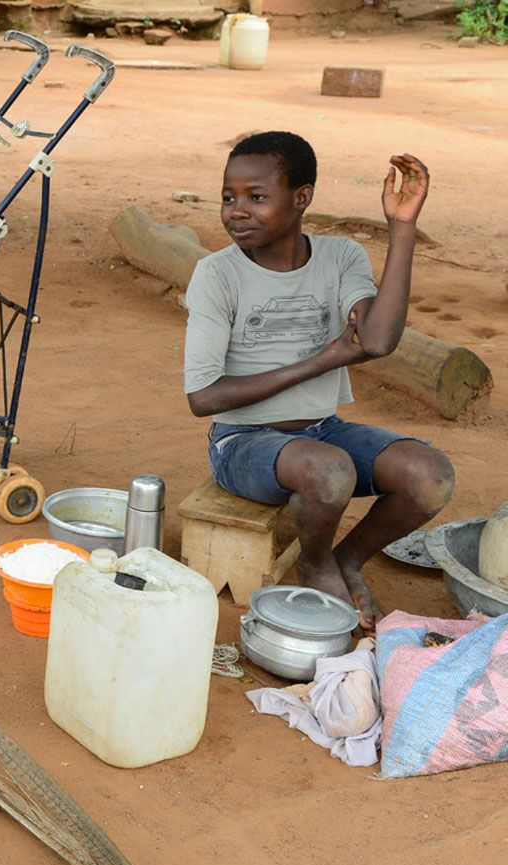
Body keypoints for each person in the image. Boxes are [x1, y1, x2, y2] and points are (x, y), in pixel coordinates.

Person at [183, 131, 454, 629]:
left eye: (256, 197)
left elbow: (376, 340)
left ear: (301, 197)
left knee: (430, 476)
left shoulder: (340, 257)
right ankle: (315, 560)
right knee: (328, 472)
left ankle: (344, 558)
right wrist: (323, 360)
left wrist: (402, 230)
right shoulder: (216, 274)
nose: (236, 211)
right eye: (229, 197)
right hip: (242, 443)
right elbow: (203, 397)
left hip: (321, 431)